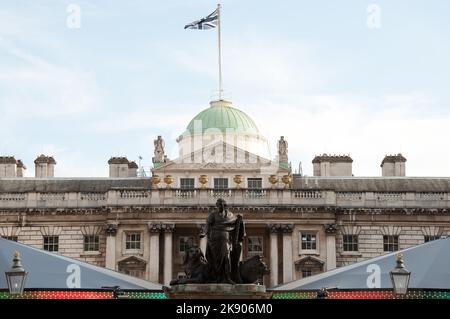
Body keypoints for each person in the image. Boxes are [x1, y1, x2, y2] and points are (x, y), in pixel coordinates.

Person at [201, 198, 245, 284]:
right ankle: (216, 277)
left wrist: (240, 220)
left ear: (224, 206)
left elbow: (236, 222)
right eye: (218, 205)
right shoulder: (213, 215)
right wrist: (204, 233)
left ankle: (227, 277)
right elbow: (207, 225)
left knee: (226, 258)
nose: (219, 207)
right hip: (214, 240)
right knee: (215, 260)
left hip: (225, 239)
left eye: (220, 205)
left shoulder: (230, 215)